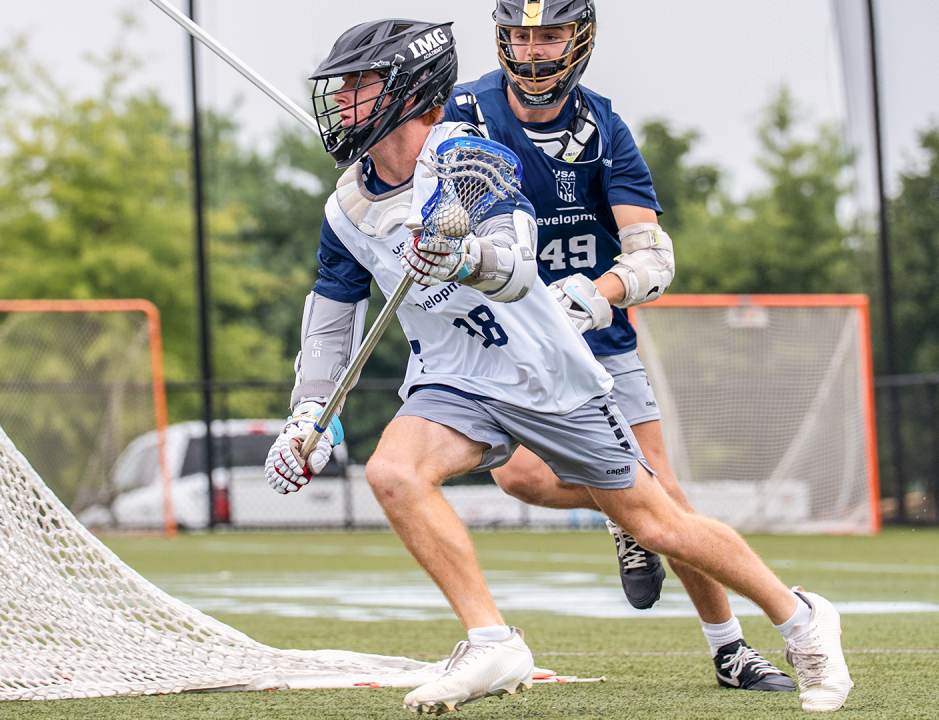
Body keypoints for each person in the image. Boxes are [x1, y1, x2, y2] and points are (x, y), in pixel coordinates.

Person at [267, 17, 852, 714]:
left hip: (545, 371)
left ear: (408, 90)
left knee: (657, 523)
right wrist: (310, 414)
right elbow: (332, 322)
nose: (342, 99)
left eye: (359, 84)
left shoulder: (470, 161)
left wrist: (462, 256)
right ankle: (492, 641)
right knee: (393, 473)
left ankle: (800, 618)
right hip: (454, 378)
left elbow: (517, 267)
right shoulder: (347, 208)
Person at [441, 0, 805, 695]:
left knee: (664, 493)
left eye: (549, 35)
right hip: (504, 337)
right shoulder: (465, 112)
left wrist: (589, 295)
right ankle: (625, 515)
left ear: (578, 39)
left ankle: (730, 648)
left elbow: (652, 258)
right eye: (520, 36)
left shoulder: (604, 127)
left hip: (596, 336)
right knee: (518, 478)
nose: (533, 51)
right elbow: (418, 194)